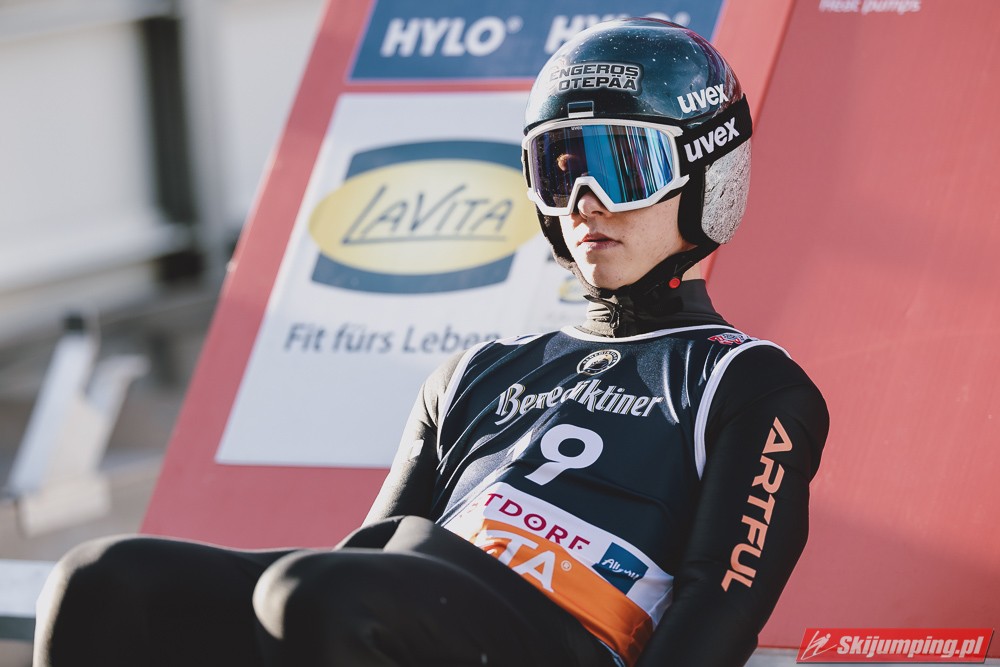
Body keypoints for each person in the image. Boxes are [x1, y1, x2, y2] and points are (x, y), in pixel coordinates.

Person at [33, 18, 828, 667]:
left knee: (319, 594)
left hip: (564, 636)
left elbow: (719, 607)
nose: (585, 203)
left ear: (706, 172)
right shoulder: (478, 369)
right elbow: (374, 553)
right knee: (104, 580)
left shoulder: (748, 381)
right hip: (424, 608)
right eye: (560, 170)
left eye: (622, 166)